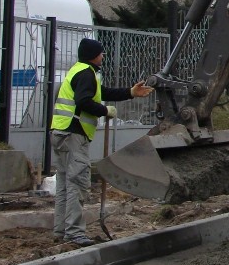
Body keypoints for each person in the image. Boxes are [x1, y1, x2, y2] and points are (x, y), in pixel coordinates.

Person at [51, 38, 153, 246]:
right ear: (93, 55)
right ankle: (74, 232)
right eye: (101, 53)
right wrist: (105, 110)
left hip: (61, 132)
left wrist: (130, 93)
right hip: (73, 134)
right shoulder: (87, 74)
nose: (103, 56)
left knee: (64, 183)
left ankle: (61, 230)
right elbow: (84, 101)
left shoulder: (79, 71)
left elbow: (102, 93)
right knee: (77, 182)